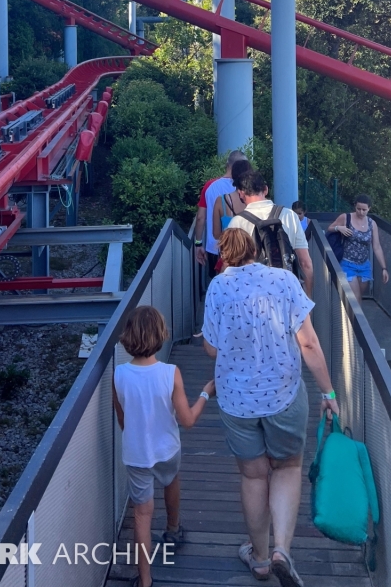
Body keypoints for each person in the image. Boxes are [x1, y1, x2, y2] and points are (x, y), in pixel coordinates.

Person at [202, 228, 339, 586]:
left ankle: (260, 560)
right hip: (283, 393)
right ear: (256, 250)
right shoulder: (284, 280)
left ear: (225, 255)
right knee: (287, 468)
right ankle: (282, 550)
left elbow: (212, 349)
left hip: (236, 400)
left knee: (253, 475)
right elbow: (307, 343)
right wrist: (328, 392)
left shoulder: (218, 287)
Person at [113, 306, 215, 587]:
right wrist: (207, 391)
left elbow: (123, 419)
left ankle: (145, 581)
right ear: (160, 334)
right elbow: (188, 420)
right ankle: (173, 529)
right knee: (171, 480)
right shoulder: (170, 373)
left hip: (136, 454)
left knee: (141, 514)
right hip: (167, 448)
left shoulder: (119, 374)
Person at [228, 169, 314, 298]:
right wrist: (306, 301)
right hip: (286, 293)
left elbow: (230, 268)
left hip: (252, 297)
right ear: (266, 190)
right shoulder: (289, 215)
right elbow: (305, 263)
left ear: (241, 194)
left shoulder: (237, 223)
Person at [194, 150, 247, 278]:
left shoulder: (210, 186)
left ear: (227, 164)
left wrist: (198, 243)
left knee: (217, 284)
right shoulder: (246, 186)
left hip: (215, 246)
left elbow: (200, 217)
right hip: (244, 245)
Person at [328, 194, 390, 303]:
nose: (361, 212)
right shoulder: (346, 217)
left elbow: (376, 246)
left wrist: (384, 268)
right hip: (347, 263)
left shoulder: (372, 224)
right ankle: (354, 320)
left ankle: (349, 318)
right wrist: (339, 228)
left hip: (364, 265)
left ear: (369, 209)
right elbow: (330, 228)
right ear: (355, 206)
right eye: (358, 209)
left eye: (364, 210)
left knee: (358, 297)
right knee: (355, 298)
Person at [212, 158, 253, 240]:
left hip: (229, 251)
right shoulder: (256, 201)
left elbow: (216, 234)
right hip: (253, 251)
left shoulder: (221, 200)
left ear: (233, 176)